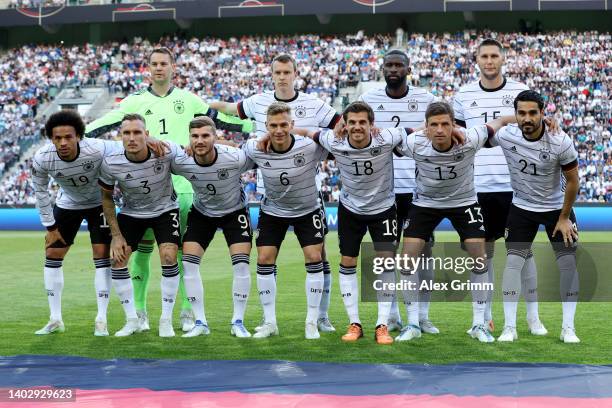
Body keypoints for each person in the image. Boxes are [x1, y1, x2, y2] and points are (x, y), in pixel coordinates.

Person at [86, 47, 253, 334]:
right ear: (147, 68)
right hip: (144, 188)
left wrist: (255, 126)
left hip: (184, 186)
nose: (159, 68)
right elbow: (105, 124)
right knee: (140, 252)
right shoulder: (134, 101)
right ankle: (139, 312)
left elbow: (222, 122)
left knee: (177, 252)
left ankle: (188, 313)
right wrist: (80, 133)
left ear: (173, 67)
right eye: (154, 64)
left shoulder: (189, 99)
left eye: (164, 63)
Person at [211, 53, 340, 332]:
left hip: (308, 190)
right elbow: (231, 110)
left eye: (286, 72)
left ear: (296, 74)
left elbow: (339, 126)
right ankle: (269, 321)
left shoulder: (314, 104)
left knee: (320, 255)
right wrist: (203, 106)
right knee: (266, 257)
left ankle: (321, 316)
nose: (282, 76)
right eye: (277, 72)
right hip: (268, 191)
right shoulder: (258, 101)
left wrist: (312, 135)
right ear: (272, 75)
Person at [395, 101, 516, 343]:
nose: (440, 130)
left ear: (454, 126)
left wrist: (536, 120)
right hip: (425, 203)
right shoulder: (413, 142)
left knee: (479, 257)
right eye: (434, 125)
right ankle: (412, 323)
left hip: (464, 202)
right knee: (407, 259)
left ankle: (479, 324)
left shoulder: (471, 138)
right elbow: (391, 141)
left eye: (445, 124)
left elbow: (500, 121)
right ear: (426, 128)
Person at [452, 39, 546, 336]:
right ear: (476, 60)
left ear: (503, 59)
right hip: (476, 186)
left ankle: (533, 318)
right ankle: (484, 318)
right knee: (482, 253)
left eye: (494, 56)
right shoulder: (463, 95)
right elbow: (457, 140)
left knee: (523, 252)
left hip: (514, 186)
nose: (489, 61)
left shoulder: (519, 91)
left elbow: (537, 130)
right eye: (484, 56)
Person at [309, 101, 406, 345]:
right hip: (350, 209)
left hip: (383, 208)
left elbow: (406, 132)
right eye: (352, 122)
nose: (357, 126)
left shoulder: (386, 137)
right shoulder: (334, 140)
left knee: (385, 263)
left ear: (371, 124)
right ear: (345, 123)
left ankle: (382, 325)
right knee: (347, 261)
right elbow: (308, 133)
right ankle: (355, 323)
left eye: (363, 122)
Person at [358, 49, 438, 335]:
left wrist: (399, 134)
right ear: (382, 69)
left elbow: (435, 131)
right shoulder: (368, 100)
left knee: (423, 254)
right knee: (387, 256)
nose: (393, 69)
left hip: (418, 191)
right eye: (389, 65)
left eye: (398, 65)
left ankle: (423, 316)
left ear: (408, 68)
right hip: (383, 191)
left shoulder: (427, 99)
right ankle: (391, 314)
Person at [491, 91, 580, 343]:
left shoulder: (559, 139)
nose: (527, 118)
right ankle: (510, 327)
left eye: (533, 113)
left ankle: (568, 328)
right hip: (522, 208)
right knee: (513, 264)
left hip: (556, 210)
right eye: (521, 113)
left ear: (543, 113)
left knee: (567, 265)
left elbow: (573, 181)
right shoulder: (507, 135)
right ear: (516, 114)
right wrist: (506, 119)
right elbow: (493, 126)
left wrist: (564, 218)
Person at [241, 102, 328, 339]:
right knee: (264, 259)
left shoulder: (309, 146)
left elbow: (334, 142)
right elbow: (232, 152)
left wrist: (308, 132)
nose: (278, 130)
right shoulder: (255, 147)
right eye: (273, 126)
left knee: (314, 257)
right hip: (273, 211)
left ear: (292, 125)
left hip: (308, 210)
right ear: (266, 126)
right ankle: (270, 322)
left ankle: (311, 321)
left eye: (283, 125)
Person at [32, 110, 119, 336]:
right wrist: (50, 227)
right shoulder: (42, 157)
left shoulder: (97, 147)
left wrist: (151, 140)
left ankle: (102, 318)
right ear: (51, 138)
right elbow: (40, 192)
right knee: (52, 254)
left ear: (79, 136)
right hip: (68, 203)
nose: (63, 142)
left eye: (68, 137)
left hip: (100, 203)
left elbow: (128, 147)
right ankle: (55, 319)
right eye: (57, 138)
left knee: (101, 255)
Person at [171, 117, 255, 338]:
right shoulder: (182, 161)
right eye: (195, 136)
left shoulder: (235, 157)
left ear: (215, 138)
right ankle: (200, 322)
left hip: (234, 211)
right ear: (189, 138)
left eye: (205, 136)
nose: (200, 141)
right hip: (202, 213)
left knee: (241, 266)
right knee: (188, 264)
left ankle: (238, 321)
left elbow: (258, 154)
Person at [98, 114, 181, 337]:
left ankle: (166, 320)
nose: (132, 137)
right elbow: (106, 198)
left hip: (165, 209)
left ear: (147, 134)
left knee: (169, 256)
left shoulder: (166, 151)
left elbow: (194, 153)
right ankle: (132, 319)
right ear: (120, 136)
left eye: (137, 132)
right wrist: (116, 235)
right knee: (118, 259)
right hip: (132, 212)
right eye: (127, 133)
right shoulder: (110, 162)